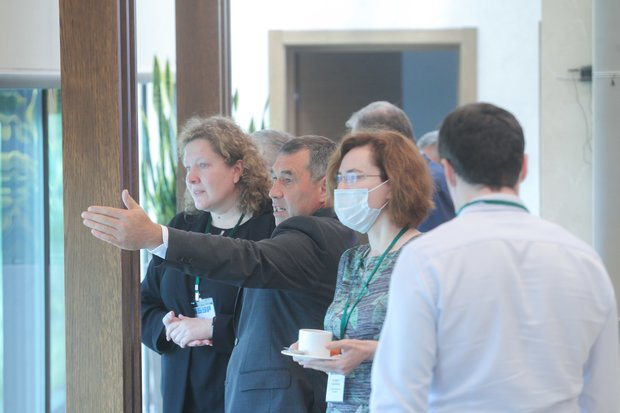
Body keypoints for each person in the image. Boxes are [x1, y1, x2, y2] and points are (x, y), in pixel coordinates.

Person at [370, 102, 620, 412]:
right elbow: (605, 397)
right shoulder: (584, 260)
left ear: (448, 171)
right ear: (524, 167)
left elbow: (397, 397)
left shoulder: (425, 258)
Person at [82, 135, 358, 413]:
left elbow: (250, 259)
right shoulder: (188, 223)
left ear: (324, 189)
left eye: (287, 179)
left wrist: (156, 237)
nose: (274, 191)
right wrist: (167, 328)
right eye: (274, 178)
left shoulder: (312, 233)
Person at [291, 130, 434, 412]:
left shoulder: (424, 256)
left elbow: (446, 347)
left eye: (354, 177)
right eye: (340, 178)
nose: (342, 189)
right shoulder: (352, 259)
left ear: (393, 183)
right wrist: (321, 350)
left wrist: (370, 352)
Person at [140, 116, 275, 413]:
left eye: (202, 165)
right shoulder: (181, 227)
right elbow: (145, 302)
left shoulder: (270, 230)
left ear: (237, 169)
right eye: (188, 167)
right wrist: (166, 327)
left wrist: (213, 328)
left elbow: (276, 320)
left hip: (241, 390)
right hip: (181, 391)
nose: (191, 178)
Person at [346, 101, 454, 232]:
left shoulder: (427, 182)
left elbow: (433, 239)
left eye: (360, 146)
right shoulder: (417, 176)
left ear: (383, 141)